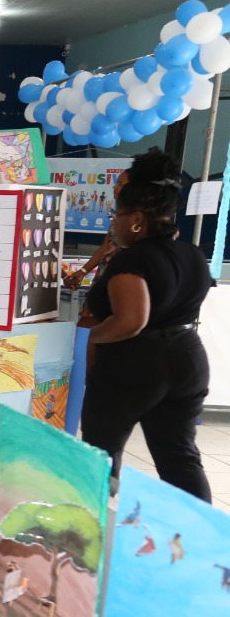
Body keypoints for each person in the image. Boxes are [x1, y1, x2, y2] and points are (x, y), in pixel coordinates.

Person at [80, 175, 214, 502]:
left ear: (137, 219)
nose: (114, 223)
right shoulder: (192, 254)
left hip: (135, 364)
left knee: (100, 456)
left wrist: (85, 337)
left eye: (116, 215)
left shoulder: (132, 259)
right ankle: (198, 530)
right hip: (188, 358)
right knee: (179, 456)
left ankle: (90, 526)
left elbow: (130, 322)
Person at [66, 149, 182, 290]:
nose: (115, 187)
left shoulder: (133, 263)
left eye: (120, 184)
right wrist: (83, 271)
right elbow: (105, 248)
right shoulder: (121, 227)